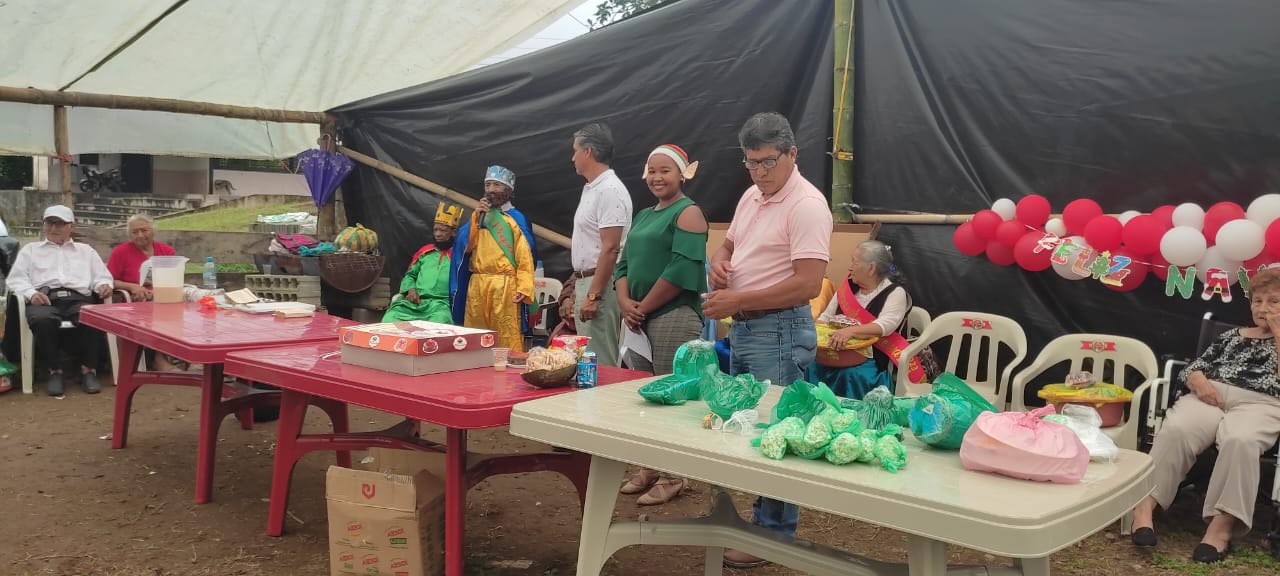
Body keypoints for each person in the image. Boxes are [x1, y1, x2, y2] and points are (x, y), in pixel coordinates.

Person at [702, 113, 833, 569]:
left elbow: (808, 284)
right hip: (747, 327)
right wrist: (720, 262)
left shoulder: (807, 205)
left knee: (777, 429)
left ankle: (774, 535)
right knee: (753, 425)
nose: (759, 172)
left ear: (792, 154)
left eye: (768, 162)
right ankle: (763, 525)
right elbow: (729, 245)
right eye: (751, 162)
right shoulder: (752, 196)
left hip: (779, 329)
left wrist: (739, 297)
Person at [1129, 267, 1280, 564]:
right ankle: (1143, 509)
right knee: (1179, 429)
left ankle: (1220, 527)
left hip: (1262, 404)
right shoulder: (1231, 336)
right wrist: (1197, 379)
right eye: (1257, 301)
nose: (1263, 308)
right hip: (1210, 395)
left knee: (1240, 440)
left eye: (1273, 301)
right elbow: (1194, 365)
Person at [613, 144, 708, 505]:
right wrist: (625, 302)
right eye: (652, 170)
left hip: (673, 315)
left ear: (683, 174)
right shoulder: (642, 215)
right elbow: (623, 264)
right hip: (638, 317)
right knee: (645, 395)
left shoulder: (689, 213)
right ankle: (651, 466)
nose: (657, 177)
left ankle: (674, 475)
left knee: (672, 396)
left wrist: (642, 307)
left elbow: (682, 269)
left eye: (665, 170)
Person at [6, 205, 114, 396]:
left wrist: (103, 285)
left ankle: (88, 370)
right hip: (44, 299)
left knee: (91, 317)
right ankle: (54, 371)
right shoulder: (31, 250)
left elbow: (101, 276)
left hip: (78, 298)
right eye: (49, 223)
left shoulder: (85, 251)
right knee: (42, 320)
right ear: (43, 225)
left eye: (60, 224)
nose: (53, 228)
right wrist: (31, 293)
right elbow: (16, 279)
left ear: (71, 226)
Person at [808, 241, 912, 400]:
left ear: (871, 268)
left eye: (854, 262)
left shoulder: (894, 293)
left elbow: (886, 325)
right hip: (834, 353)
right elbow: (825, 318)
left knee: (849, 374)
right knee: (810, 365)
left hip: (870, 360)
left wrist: (850, 332)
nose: (849, 267)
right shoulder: (847, 289)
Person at [450, 166, 537, 352]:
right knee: (476, 338)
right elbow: (464, 247)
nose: (490, 190)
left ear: (509, 191)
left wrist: (524, 286)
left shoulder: (517, 219)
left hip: (504, 285)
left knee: (506, 339)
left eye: (496, 185)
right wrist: (475, 219)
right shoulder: (479, 216)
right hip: (478, 283)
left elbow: (526, 254)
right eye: (487, 185)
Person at [570, 123, 632, 367]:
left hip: (600, 283)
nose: (572, 157)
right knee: (588, 358)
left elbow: (611, 248)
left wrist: (594, 295)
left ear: (588, 152)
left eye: (575, 150)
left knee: (599, 360)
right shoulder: (593, 189)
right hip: (587, 281)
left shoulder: (609, 190)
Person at [383, 203, 463, 323]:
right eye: (435, 230)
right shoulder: (425, 252)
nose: (437, 234)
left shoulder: (459, 256)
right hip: (416, 303)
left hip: (441, 305)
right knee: (390, 317)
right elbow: (410, 275)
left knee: (440, 322)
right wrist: (411, 290)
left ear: (454, 232)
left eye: (442, 230)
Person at [107, 214, 177, 302]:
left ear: (153, 231)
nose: (140, 235)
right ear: (130, 235)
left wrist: (156, 292)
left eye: (144, 230)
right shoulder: (120, 252)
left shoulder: (166, 251)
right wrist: (132, 287)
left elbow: (172, 279)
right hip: (131, 300)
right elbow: (109, 280)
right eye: (134, 232)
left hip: (163, 296)